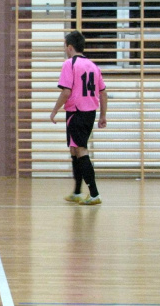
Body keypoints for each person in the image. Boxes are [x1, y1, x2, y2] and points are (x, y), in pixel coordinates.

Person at [50, 30, 107, 206]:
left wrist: (54, 111)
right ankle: (76, 192)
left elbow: (66, 91)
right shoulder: (93, 65)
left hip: (76, 112)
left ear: (70, 47)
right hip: (90, 112)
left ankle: (94, 194)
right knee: (75, 149)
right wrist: (103, 115)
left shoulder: (70, 64)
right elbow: (103, 93)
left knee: (81, 150)